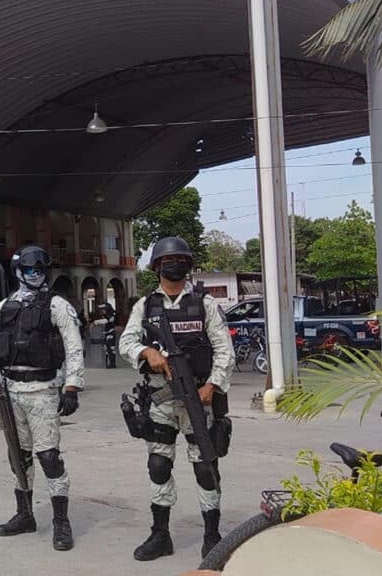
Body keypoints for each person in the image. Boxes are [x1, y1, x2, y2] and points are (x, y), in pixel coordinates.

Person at [117, 236, 234, 561]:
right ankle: (160, 535)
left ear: (189, 265)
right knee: (158, 465)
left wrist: (213, 385)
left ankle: (213, 536)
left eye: (181, 260)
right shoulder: (145, 305)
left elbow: (225, 350)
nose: (175, 264)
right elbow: (125, 343)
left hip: (200, 398)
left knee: (205, 467)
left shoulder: (204, 303)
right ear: (156, 267)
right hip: (161, 400)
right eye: (169, 260)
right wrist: (146, 351)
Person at [0, 245, 85, 551]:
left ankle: (61, 522)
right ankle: (24, 514)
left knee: (49, 457)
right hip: (11, 391)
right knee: (18, 456)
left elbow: (74, 348)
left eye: (40, 270)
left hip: (42, 391)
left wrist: (72, 387)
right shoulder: (5, 307)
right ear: (19, 272)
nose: (35, 275)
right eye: (30, 270)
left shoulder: (57, 306)